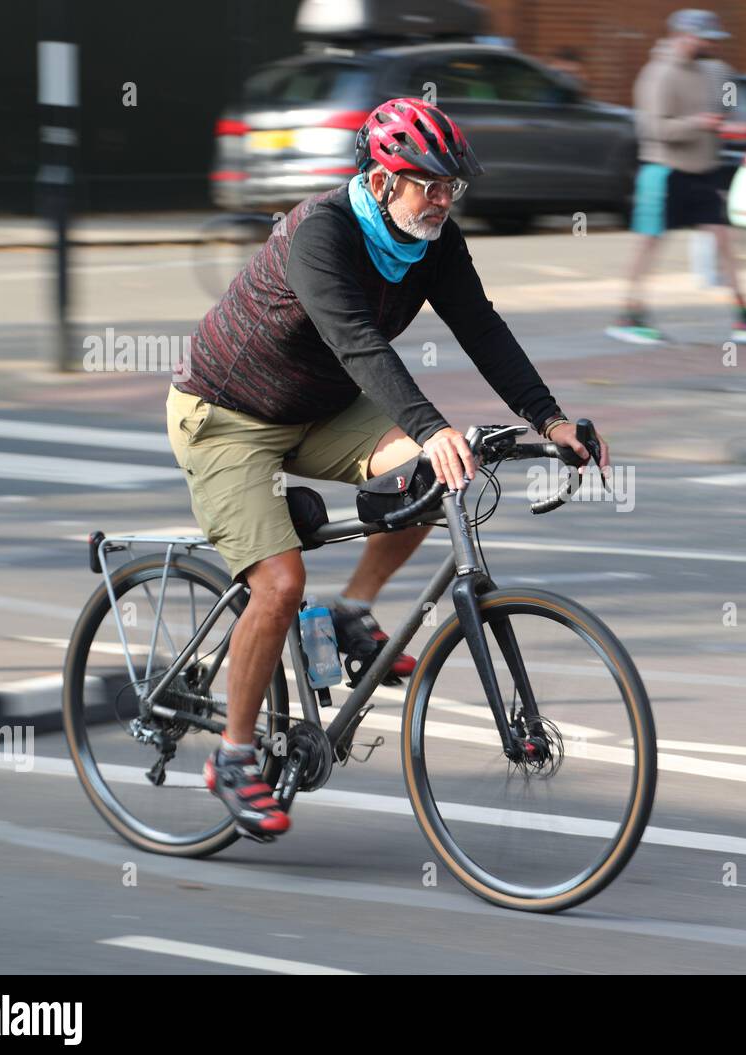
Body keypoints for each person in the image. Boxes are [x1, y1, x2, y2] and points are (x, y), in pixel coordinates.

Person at [166, 97, 608, 841]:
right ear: (380, 181)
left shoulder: (433, 239)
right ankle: (234, 757)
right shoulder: (321, 234)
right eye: (428, 184)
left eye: (451, 187)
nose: (442, 200)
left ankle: (352, 610)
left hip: (321, 411)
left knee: (442, 476)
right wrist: (430, 426)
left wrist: (549, 418)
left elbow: (482, 328)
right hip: (227, 416)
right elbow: (358, 344)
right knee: (278, 583)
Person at [606, 8, 746, 345]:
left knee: (724, 241)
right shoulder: (657, 75)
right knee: (648, 245)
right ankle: (627, 316)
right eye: (706, 38)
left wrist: (732, 128)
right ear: (684, 36)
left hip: (702, 172)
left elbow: (715, 118)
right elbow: (655, 128)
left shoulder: (709, 72)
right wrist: (700, 123)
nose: (712, 44)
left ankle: (745, 317)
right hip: (665, 172)